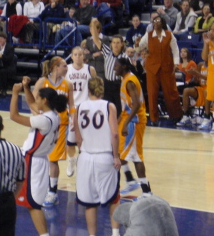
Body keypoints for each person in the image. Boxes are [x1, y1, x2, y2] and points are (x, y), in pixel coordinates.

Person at [10, 78, 67, 236]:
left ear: (45, 100)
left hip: (31, 162)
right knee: (11, 196)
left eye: (38, 97)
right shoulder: (53, 116)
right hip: (37, 160)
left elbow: (14, 116)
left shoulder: (44, 120)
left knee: (33, 204)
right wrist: (26, 88)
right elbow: (32, 104)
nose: (36, 99)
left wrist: (15, 93)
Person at [75, 76, 121, 236]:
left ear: (88, 89)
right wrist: (116, 156)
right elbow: (114, 134)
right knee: (114, 199)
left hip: (86, 157)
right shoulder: (109, 106)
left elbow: (78, 137)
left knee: (89, 203)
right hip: (105, 157)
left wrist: (84, 151)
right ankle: (115, 234)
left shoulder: (79, 107)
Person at [32, 56, 74, 207]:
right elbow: (32, 100)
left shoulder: (68, 84)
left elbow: (72, 105)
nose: (67, 67)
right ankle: (42, 187)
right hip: (44, 124)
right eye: (64, 65)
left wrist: (73, 121)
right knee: (41, 157)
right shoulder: (43, 82)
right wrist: (37, 114)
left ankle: (52, 192)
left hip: (61, 125)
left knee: (53, 159)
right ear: (56, 67)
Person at [114, 58, 152, 199]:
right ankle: (130, 179)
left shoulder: (130, 81)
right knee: (117, 150)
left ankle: (146, 191)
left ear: (124, 66)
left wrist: (125, 123)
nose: (114, 68)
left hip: (135, 121)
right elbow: (127, 106)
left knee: (136, 156)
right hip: (128, 119)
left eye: (116, 66)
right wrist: (118, 122)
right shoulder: (125, 79)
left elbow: (136, 105)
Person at [136, 15, 182, 126]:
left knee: (170, 92)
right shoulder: (148, 35)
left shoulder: (169, 35)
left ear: (162, 23)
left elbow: (175, 51)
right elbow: (139, 47)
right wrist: (137, 46)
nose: (155, 23)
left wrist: (176, 63)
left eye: (158, 21)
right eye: (154, 22)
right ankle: (153, 118)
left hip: (167, 67)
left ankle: (175, 115)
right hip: (152, 68)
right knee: (152, 93)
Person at [65, 47, 97, 178]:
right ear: (71, 56)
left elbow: (96, 87)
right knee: (70, 140)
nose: (78, 57)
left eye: (80, 54)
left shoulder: (90, 69)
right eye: (75, 55)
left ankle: (84, 162)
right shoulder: (66, 69)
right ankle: (71, 161)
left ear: (84, 56)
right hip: (72, 109)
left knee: (86, 139)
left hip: (87, 109)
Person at [178, 62, 210, 127]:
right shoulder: (201, 65)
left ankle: (207, 117)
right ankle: (186, 116)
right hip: (202, 88)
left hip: (211, 88)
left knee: (206, 92)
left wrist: (197, 73)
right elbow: (196, 81)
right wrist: (193, 74)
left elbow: (210, 79)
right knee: (186, 91)